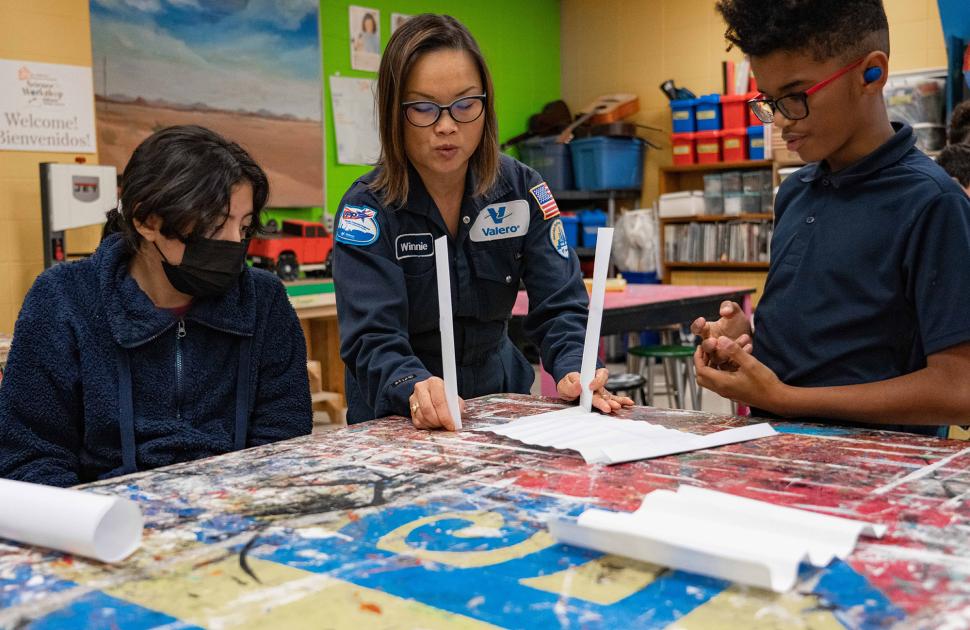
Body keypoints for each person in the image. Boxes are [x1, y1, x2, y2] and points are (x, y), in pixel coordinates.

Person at [333, 14, 632, 429]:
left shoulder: (521, 190)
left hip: (502, 406)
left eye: (465, 105)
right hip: (402, 421)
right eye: (422, 108)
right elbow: (372, 339)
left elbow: (561, 305)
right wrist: (413, 385)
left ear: (486, 104)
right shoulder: (367, 210)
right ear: (392, 111)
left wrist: (575, 368)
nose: (446, 126)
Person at [691, 0, 970, 434]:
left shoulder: (932, 203)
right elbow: (833, 341)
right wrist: (747, 340)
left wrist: (783, 398)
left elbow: (958, 391)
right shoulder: (795, 192)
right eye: (769, 101)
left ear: (870, 73)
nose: (780, 120)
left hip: (872, 470)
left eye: (796, 96)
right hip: (775, 451)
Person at [0, 125, 311, 487]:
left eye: (243, 227)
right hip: (106, 522)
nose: (234, 243)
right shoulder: (63, 300)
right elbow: (29, 456)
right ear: (147, 221)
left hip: (237, 510)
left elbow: (284, 443)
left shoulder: (263, 300)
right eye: (215, 225)